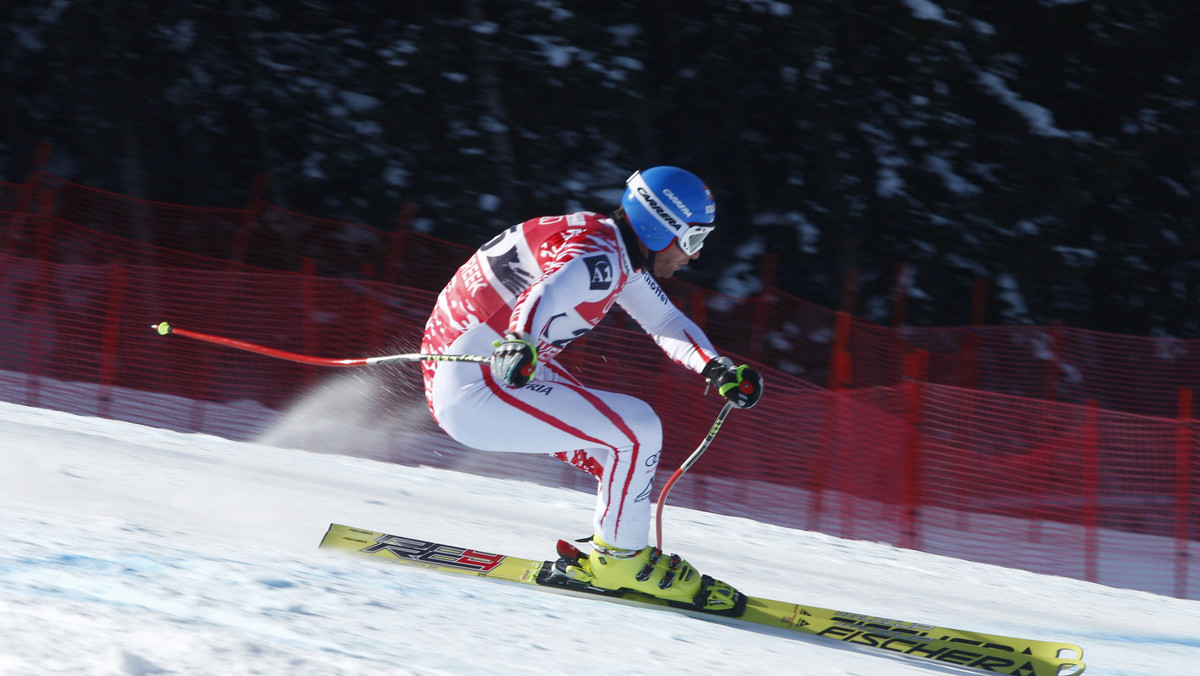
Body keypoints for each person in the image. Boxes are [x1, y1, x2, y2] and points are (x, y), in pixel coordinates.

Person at [420, 166, 763, 610]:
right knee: (638, 429)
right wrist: (519, 341)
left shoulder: (609, 246)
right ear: (660, 228)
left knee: (617, 451)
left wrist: (716, 369)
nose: (694, 256)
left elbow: (663, 321)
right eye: (693, 240)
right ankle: (620, 562)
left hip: (480, 370)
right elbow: (544, 293)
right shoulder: (597, 258)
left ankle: (619, 550)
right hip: (477, 386)